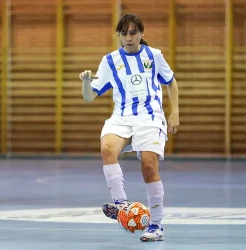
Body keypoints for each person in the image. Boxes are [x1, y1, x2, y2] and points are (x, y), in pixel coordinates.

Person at [79, 13, 179, 242]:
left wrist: (175, 114)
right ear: (119, 36)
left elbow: (171, 82)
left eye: (133, 32)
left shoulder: (154, 56)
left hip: (150, 117)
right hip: (121, 117)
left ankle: (156, 226)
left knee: (148, 165)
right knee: (107, 148)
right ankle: (121, 205)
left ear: (142, 34)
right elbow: (88, 97)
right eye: (123, 33)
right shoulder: (110, 60)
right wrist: (86, 82)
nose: (128, 37)